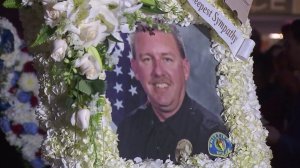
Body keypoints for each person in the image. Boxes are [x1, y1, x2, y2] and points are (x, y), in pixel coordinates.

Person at [117, 24, 232, 162]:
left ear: (185, 68)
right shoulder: (127, 129)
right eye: (147, 59)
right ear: (135, 69)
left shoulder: (211, 133)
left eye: (167, 59)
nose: (158, 71)